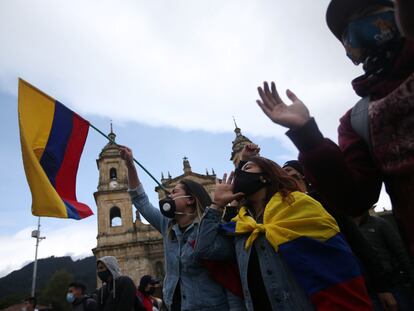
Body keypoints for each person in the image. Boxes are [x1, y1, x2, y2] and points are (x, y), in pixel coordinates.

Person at [255, 0, 414, 256]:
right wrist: (307, 134)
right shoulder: (358, 121)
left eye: (369, 12)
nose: (356, 28)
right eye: (345, 31)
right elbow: (355, 200)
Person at [194, 156, 372, 310]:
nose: (239, 174)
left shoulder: (300, 206)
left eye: (247, 168)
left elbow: (336, 269)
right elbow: (204, 249)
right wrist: (216, 206)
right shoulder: (241, 226)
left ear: (266, 175)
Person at [119, 146, 242, 311]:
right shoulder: (167, 226)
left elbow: (229, 281)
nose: (168, 196)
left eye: (174, 192)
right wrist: (130, 165)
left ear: (190, 199)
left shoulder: (213, 229)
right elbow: (140, 200)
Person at [283, 160, 398, 310]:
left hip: (357, 284)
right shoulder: (285, 212)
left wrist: (382, 286)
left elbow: (358, 243)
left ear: (302, 175)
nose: (285, 174)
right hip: (323, 290)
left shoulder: (325, 201)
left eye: (288, 170)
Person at [354, 212, 414, 310]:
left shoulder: (379, 224)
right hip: (369, 289)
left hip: (393, 284)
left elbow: (401, 253)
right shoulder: (347, 231)